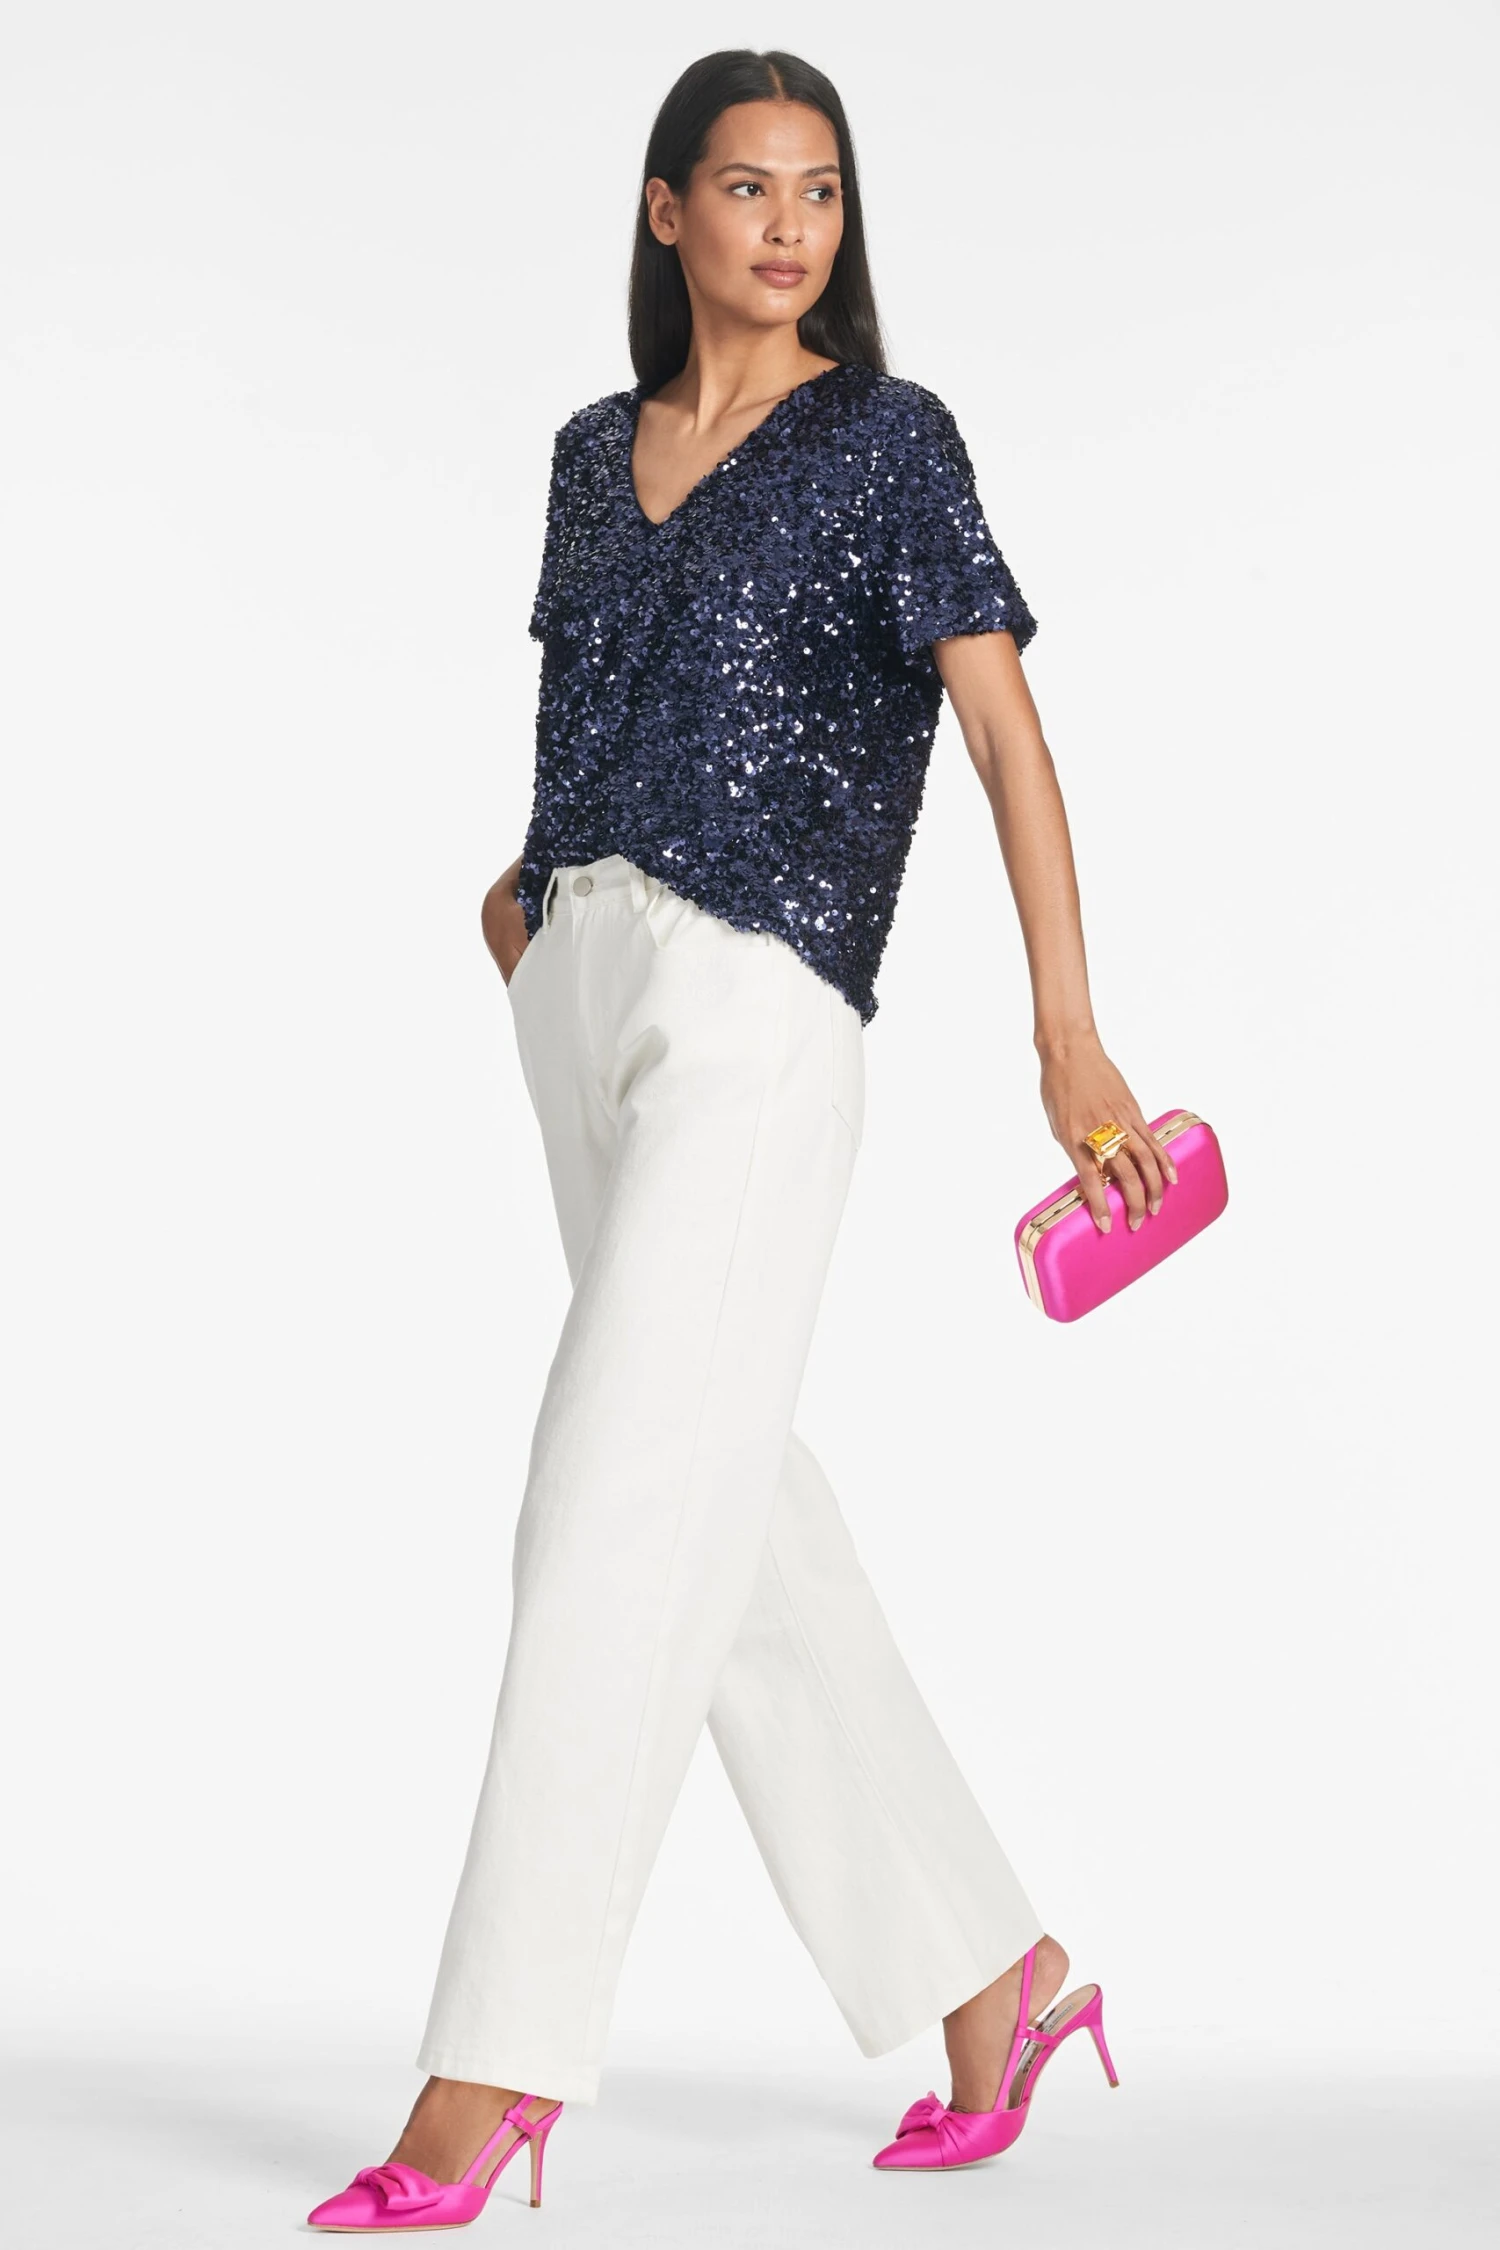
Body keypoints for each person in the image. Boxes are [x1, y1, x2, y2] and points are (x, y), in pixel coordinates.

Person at [307, 46, 1174, 2230]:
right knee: (733, 1521)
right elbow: (585, 714)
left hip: (758, 1013)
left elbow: (1005, 734)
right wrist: (527, 918)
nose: (791, 227)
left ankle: (490, 2067)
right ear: (667, 209)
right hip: (579, 997)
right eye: (749, 187)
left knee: (608, 1506)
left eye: (822, 191)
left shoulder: (890, 441)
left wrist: (1069, 1033)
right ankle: (995, 1979)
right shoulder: (587, 458)